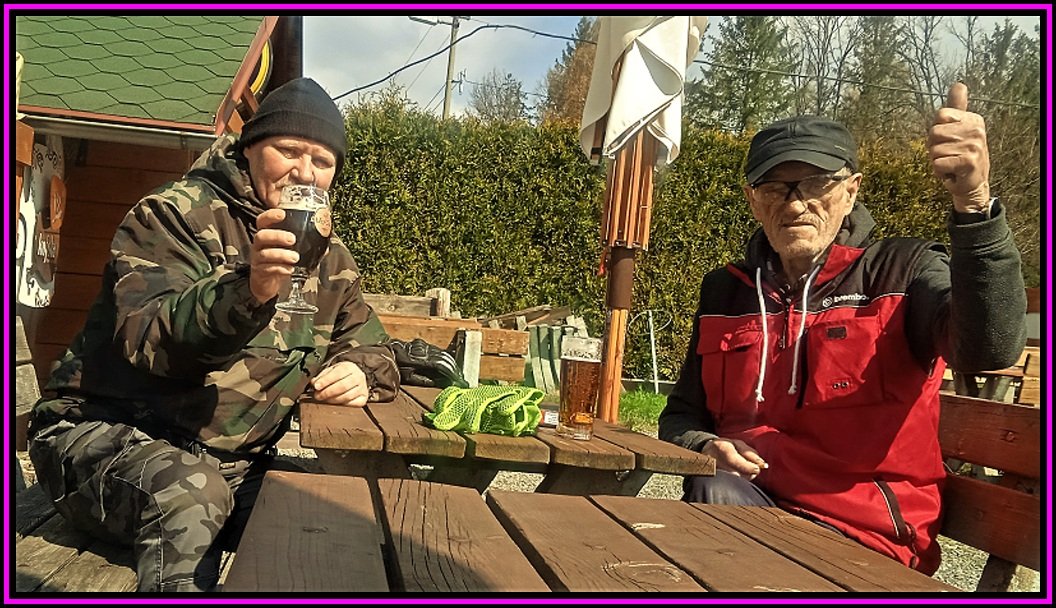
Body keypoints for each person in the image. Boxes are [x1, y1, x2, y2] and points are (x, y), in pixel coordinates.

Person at [28, 77, 400, 592]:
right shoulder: (171, 216)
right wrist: (248, 291)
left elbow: (373, 344)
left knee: (335, 512)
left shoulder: (330, 259)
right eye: (289, 151)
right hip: (104, 440)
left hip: (233, 466)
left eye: (322, 160)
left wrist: (360, 370)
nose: (305, 172)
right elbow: (148, 337)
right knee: (192, 494)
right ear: (250, 148)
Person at [658, 82, 1026, 574]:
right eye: (775, 189)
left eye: (816, 184)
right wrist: (706, 446)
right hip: (749, 507)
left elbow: (990, 347)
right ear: (752, 201)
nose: (794, 205)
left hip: (867, 540)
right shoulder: (726, 290)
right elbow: (682, 416)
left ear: (851, 191)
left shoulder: (903, 273)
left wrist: (974, 203)